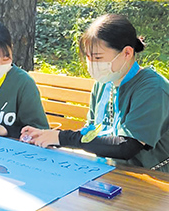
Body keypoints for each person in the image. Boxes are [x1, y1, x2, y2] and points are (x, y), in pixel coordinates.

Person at [21, 14, 169, 172]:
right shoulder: (104, 83)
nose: (92, 64)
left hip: (150, 179)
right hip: (108, 170)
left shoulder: (152, 89)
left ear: (127, 53)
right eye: (88, 57)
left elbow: (126, 147)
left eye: (98, 57)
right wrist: (47, 135)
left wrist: (62, 138)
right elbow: (92, 133)